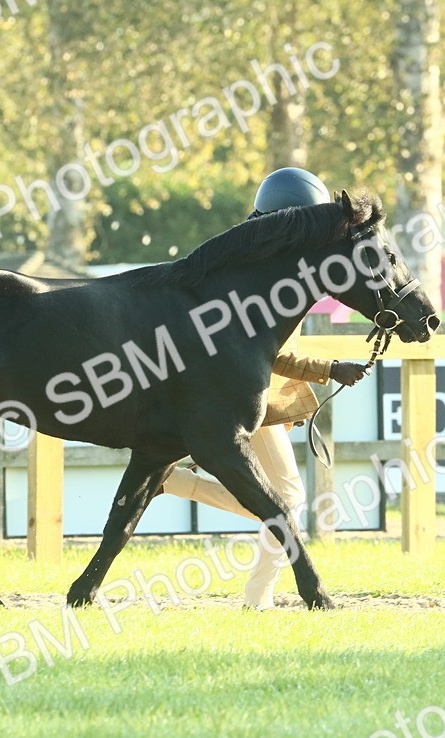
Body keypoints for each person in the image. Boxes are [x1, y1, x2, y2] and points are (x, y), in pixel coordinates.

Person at [158, 168, 368, 609]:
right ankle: (258, 598)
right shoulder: (262, 270)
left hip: (255, 397)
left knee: (276, 498)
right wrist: (330, 368)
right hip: (246, 395)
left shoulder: (252, 260)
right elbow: (271, 356)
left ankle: (175, 483)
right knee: (286, 497)